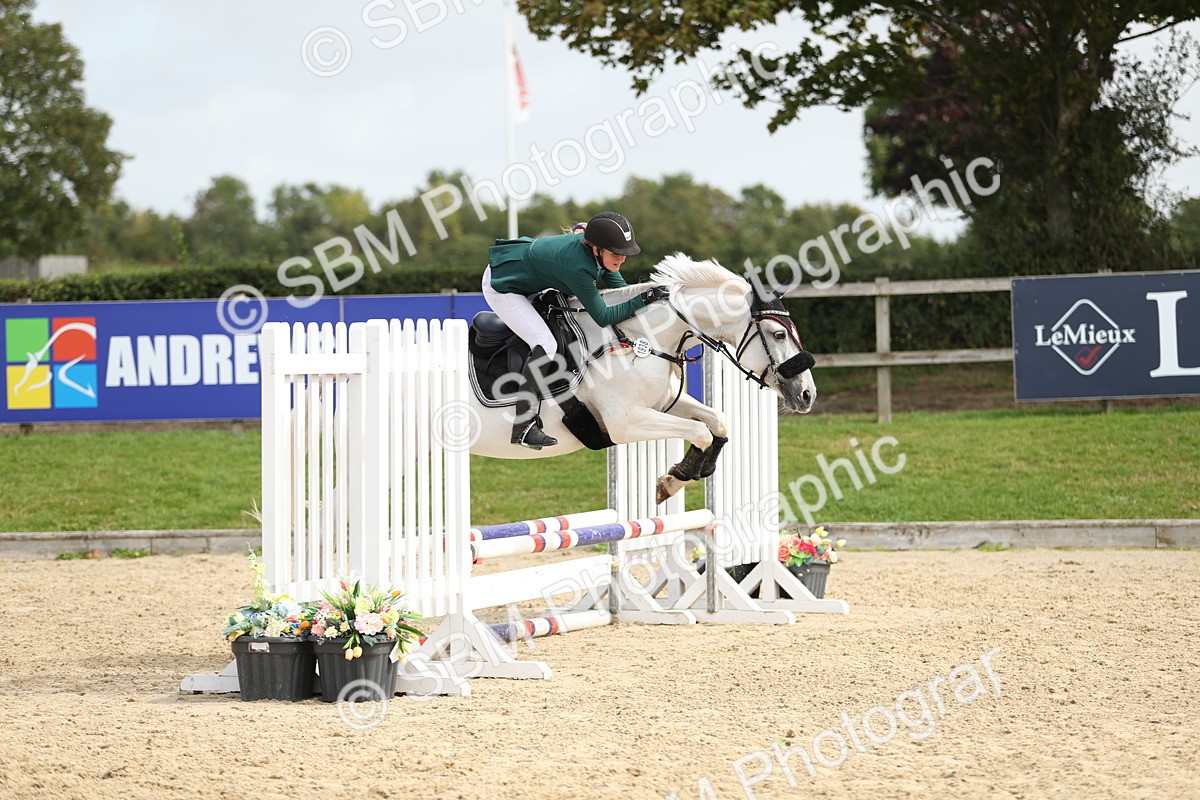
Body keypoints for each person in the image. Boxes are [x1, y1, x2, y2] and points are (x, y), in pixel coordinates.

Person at [482, 211, 669, 449]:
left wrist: (646, 301)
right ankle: (523, 425)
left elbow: (619, 291)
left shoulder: (599, 255)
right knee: (545, 343)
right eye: (616, 253)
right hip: (502, 285)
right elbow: (603, 316)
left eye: (624, 254)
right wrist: (644, 298)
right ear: (596, 249)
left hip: (525, 272)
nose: (621, 259)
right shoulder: (578, 267)